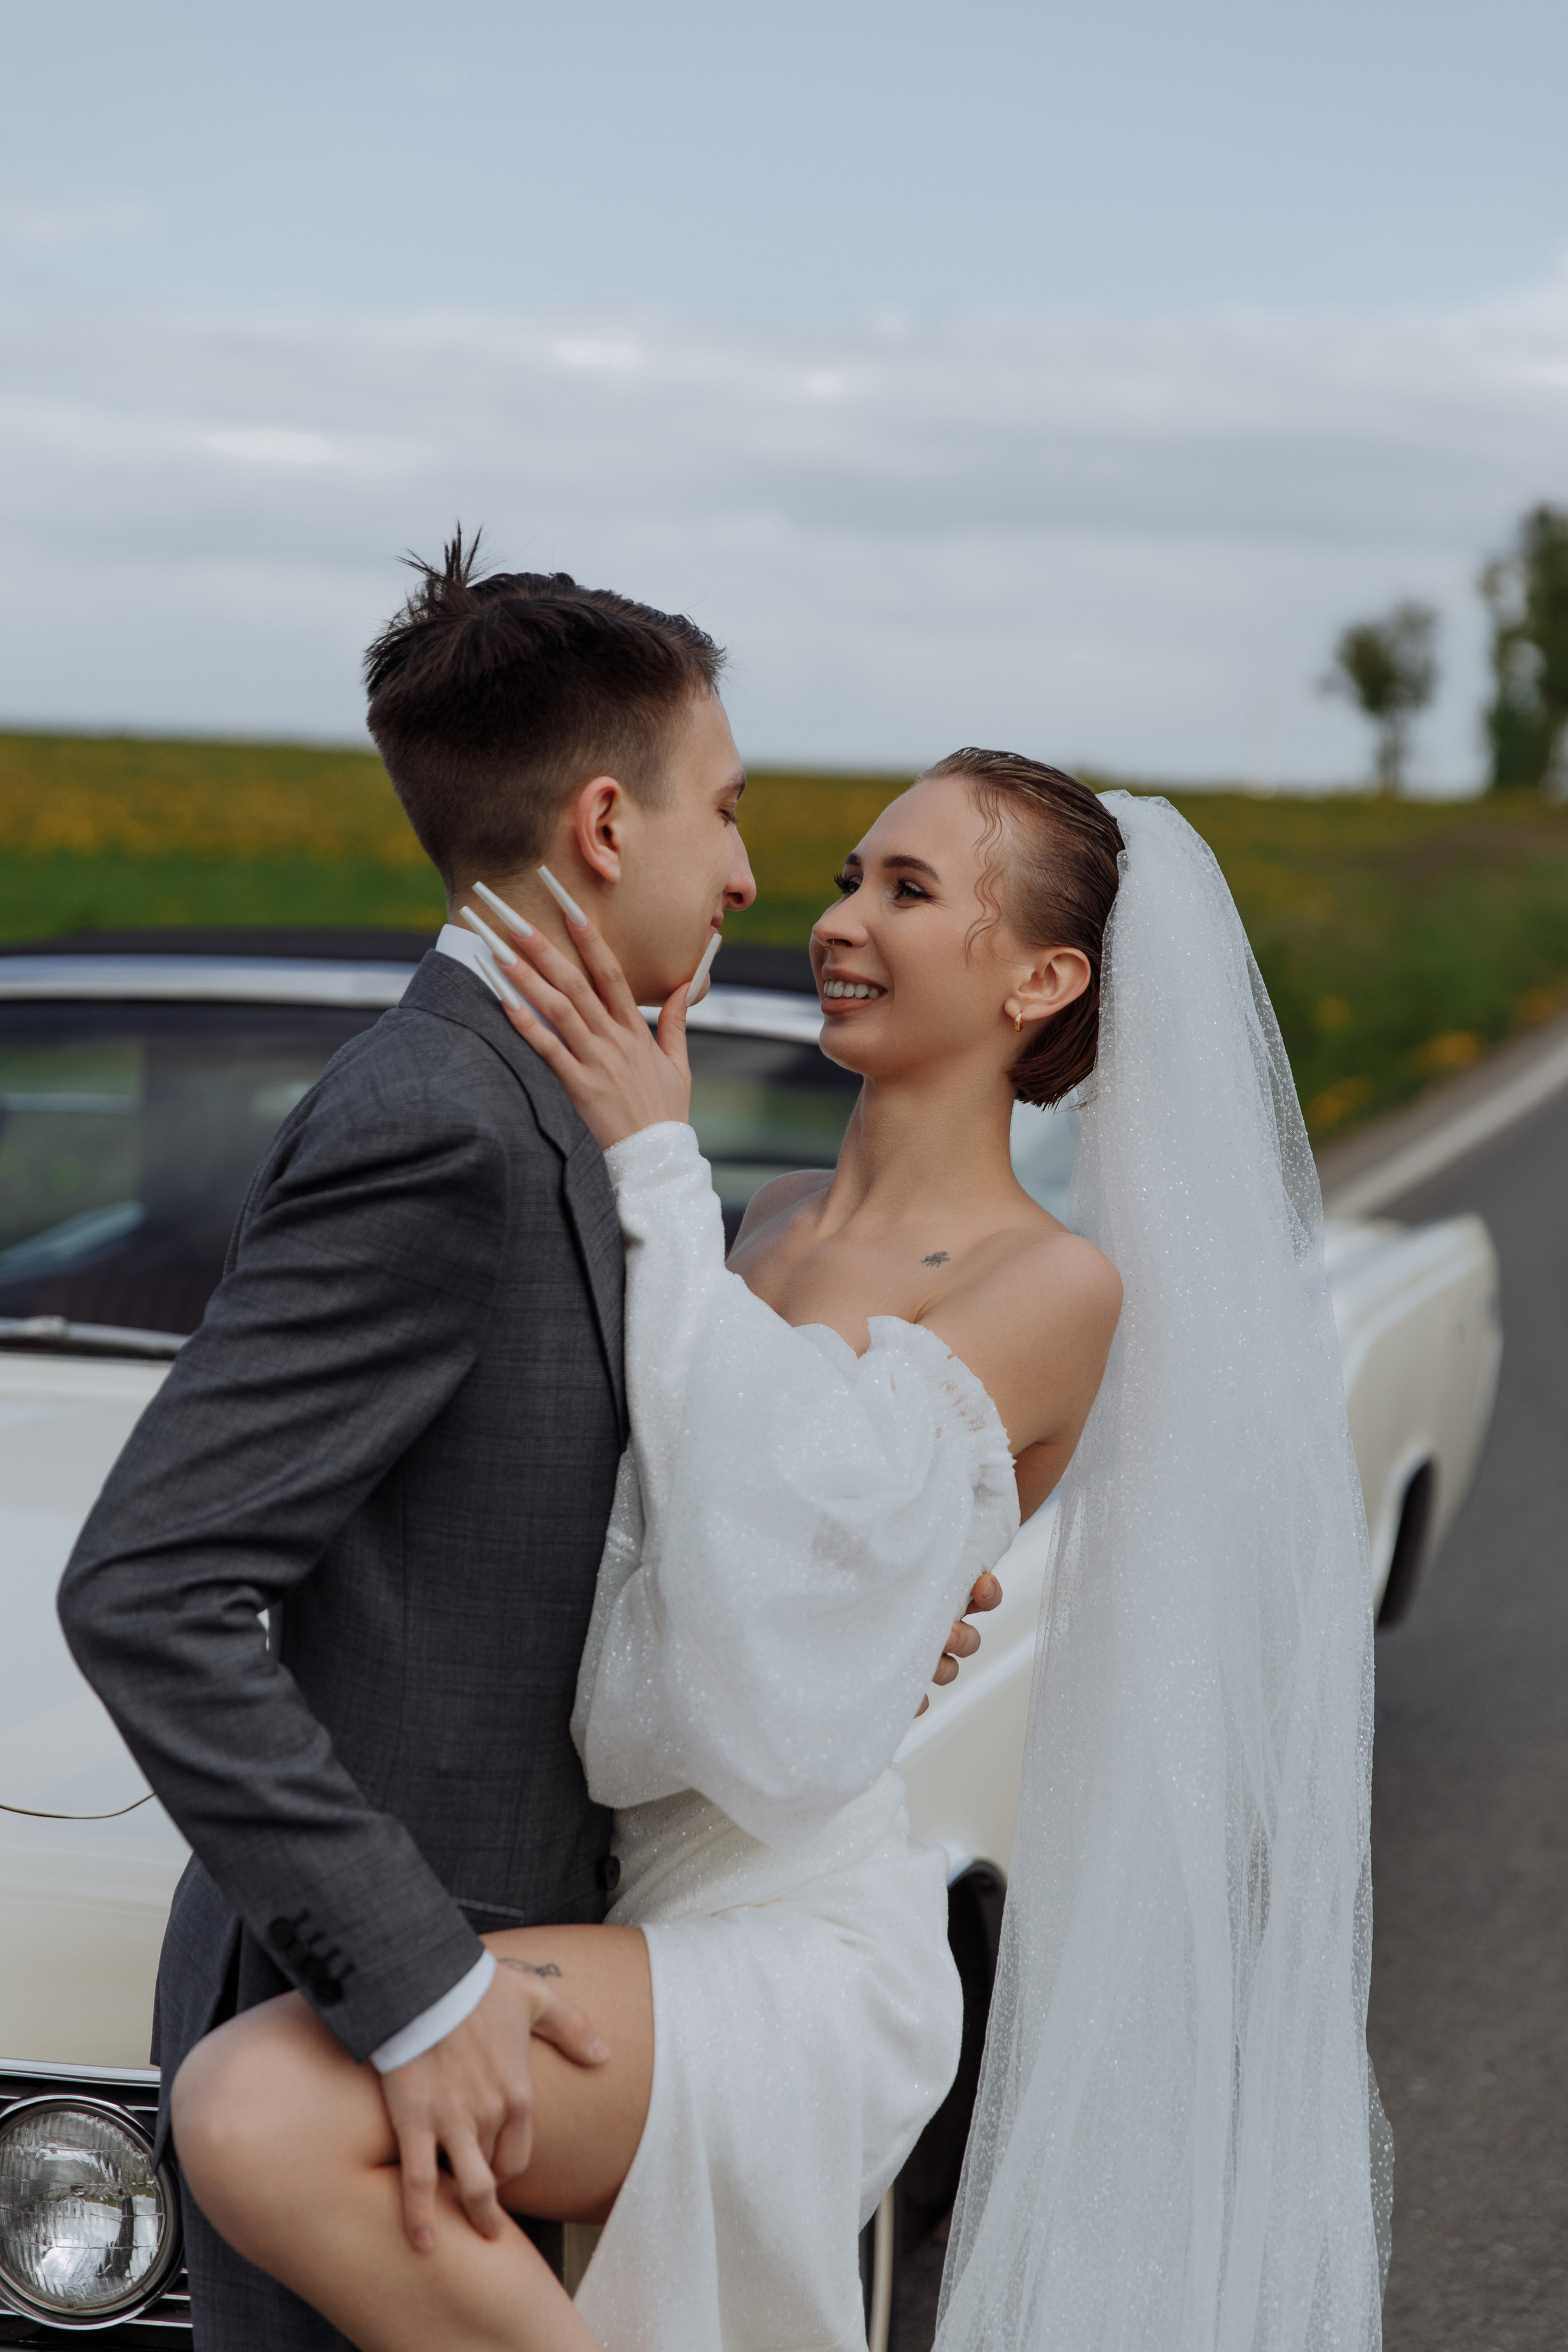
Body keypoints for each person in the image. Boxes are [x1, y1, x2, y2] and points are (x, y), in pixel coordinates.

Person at [59, 541, 994, 2352]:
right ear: (599, 824)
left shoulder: (548, 1089)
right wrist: (413, 1989)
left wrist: (853, 1604)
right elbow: (148, 1583)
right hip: (387, 2023)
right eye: (723, 812)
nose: (744, 872)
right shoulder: (445, 1121)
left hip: (551, 1978)